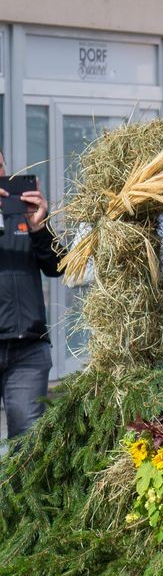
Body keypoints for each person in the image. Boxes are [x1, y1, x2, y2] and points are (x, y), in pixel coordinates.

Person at [0, 155, 61, 441]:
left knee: (26, 447)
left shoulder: (22, 211)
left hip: (27, 350)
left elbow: (58, 266)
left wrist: (40, 227)